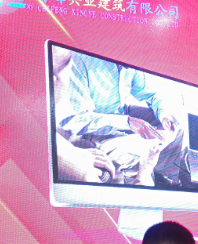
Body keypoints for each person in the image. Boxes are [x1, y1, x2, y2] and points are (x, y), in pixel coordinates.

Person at [53, 46, 188, 187]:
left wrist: (163, 114)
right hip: (94, 130)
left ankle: (166, 176)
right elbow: (76, 120)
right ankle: (143, 181)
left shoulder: (130, 60)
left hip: (123, 113)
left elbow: (151, 94)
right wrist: (127, 122)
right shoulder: (81, 61)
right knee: (140, 151)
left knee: (177, 126)